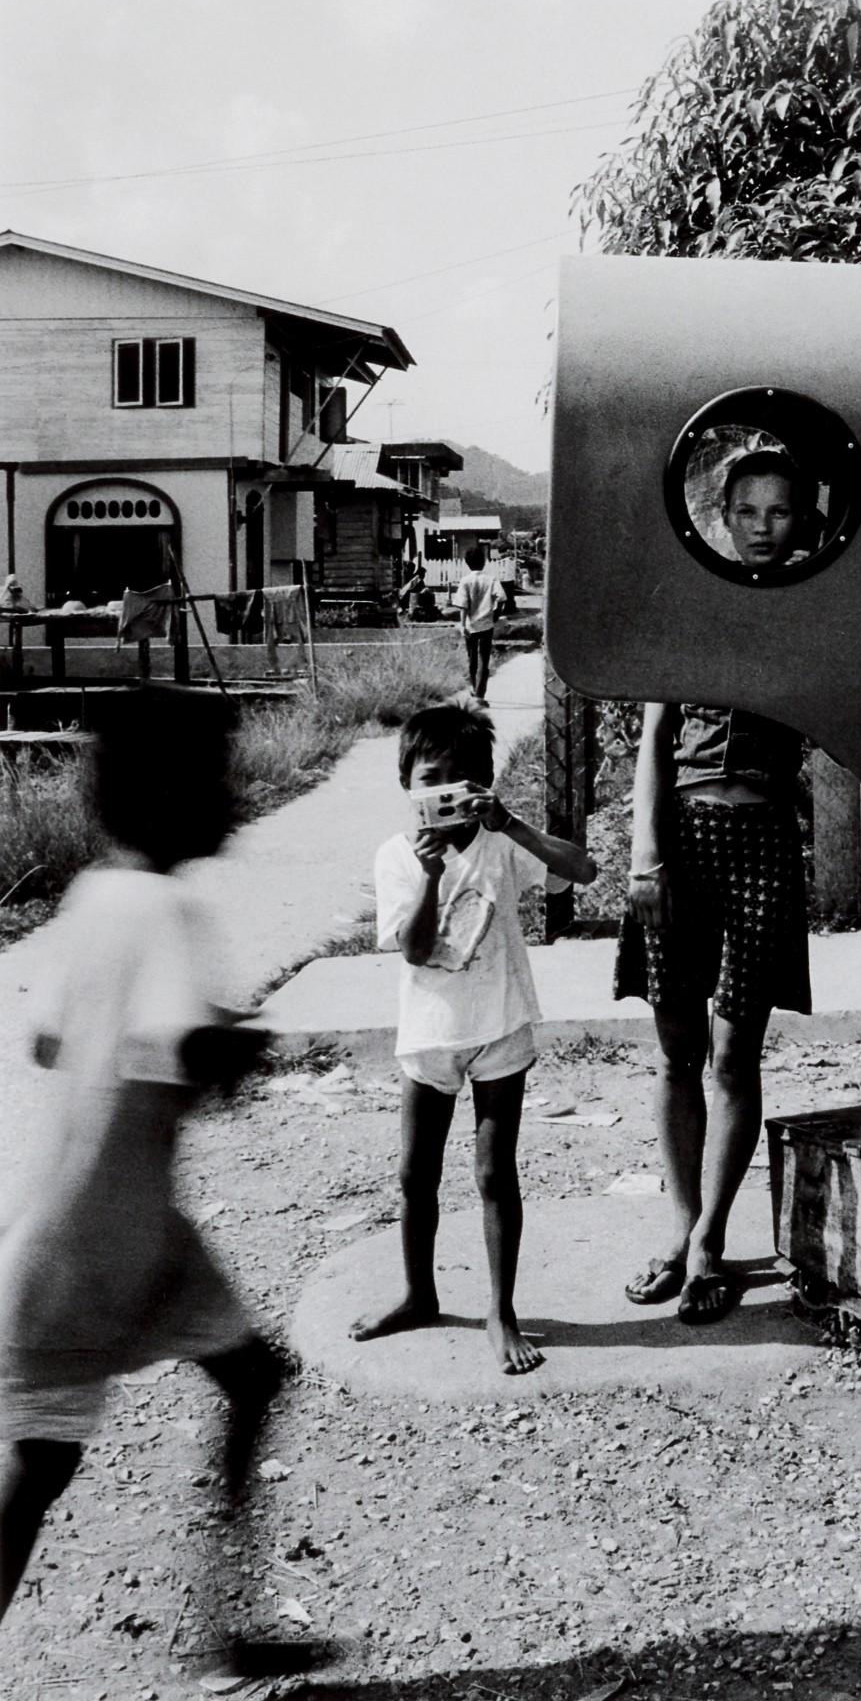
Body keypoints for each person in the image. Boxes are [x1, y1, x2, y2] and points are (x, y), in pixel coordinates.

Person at [0, 688, 308, 1681]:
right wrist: (242, 1045)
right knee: (40, 1463)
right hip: (99, 1241)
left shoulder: (95, 894)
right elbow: (181, 1053)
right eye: (217, 779)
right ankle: (222, 1619)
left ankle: (227, 1621)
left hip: (99, 1213)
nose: (230, 798)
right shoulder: (168, 909)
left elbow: (52, 1035)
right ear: (173, 795)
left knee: (246, 1378)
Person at [616, 449, 812, 1324]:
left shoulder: (815, 605)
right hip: (681, 844)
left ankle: (710, 1245)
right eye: (749, 512)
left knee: (735, 1053)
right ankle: (678, 1225)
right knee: (675, 1051)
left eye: (781, 512)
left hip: (764, 839)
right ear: (722, 518)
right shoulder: (688, 603)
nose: (764, 527)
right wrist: (644, 856)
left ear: (802, 521)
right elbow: (653, 741)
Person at [355, 702, 596, 1374]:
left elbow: (583, 871)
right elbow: (414, 949)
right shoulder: (398, 858)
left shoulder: (503, 844)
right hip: (431, 1031)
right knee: (415, 1174)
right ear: (408, 785)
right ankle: (417, 1294)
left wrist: (511, 821)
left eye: (464, 778)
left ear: (485, 782)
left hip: (499, 1024)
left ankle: (501, 1310)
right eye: (433, 778)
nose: (448, 792)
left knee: (495, 1174)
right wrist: (432, 876)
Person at [452, 544, 502, 699]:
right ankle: (481, 693)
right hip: (487, 624)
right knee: (484, 660)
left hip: (470, 625)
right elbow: (501, 598)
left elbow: (463, 605)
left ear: (467, 563)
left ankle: (474, 689)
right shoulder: (491, 579)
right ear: (484, 562)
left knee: (472, 659)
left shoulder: (465, 581)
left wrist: (462, 624)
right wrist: (495, 615)